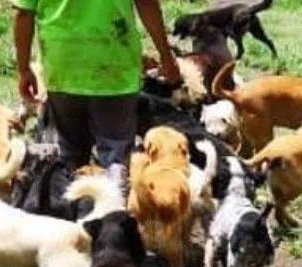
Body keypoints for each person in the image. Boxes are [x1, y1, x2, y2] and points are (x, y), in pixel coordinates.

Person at [14, 0, 180, 188]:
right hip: (114, 65)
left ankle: (70, 206)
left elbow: (24, 14)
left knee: (70, 153)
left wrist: (24, 69)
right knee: (115, 155)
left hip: (63, 65)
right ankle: (114, 209)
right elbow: (147, 3)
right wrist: (166, 56)